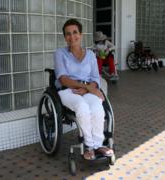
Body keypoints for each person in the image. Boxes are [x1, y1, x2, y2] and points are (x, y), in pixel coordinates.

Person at [54, 19, 114, 160]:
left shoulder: (91, 55)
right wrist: (85, 87)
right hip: (68, 90)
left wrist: (88, 90)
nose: (71, 36)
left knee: (97, 108)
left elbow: (95, 78)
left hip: (86, 90)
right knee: (82, 107)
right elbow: (63, 79)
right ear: (65, 37)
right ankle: (89, 146)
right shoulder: (60, 53)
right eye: (68, 34)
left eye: (75, 32)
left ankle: (98, 145)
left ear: (80, 34)